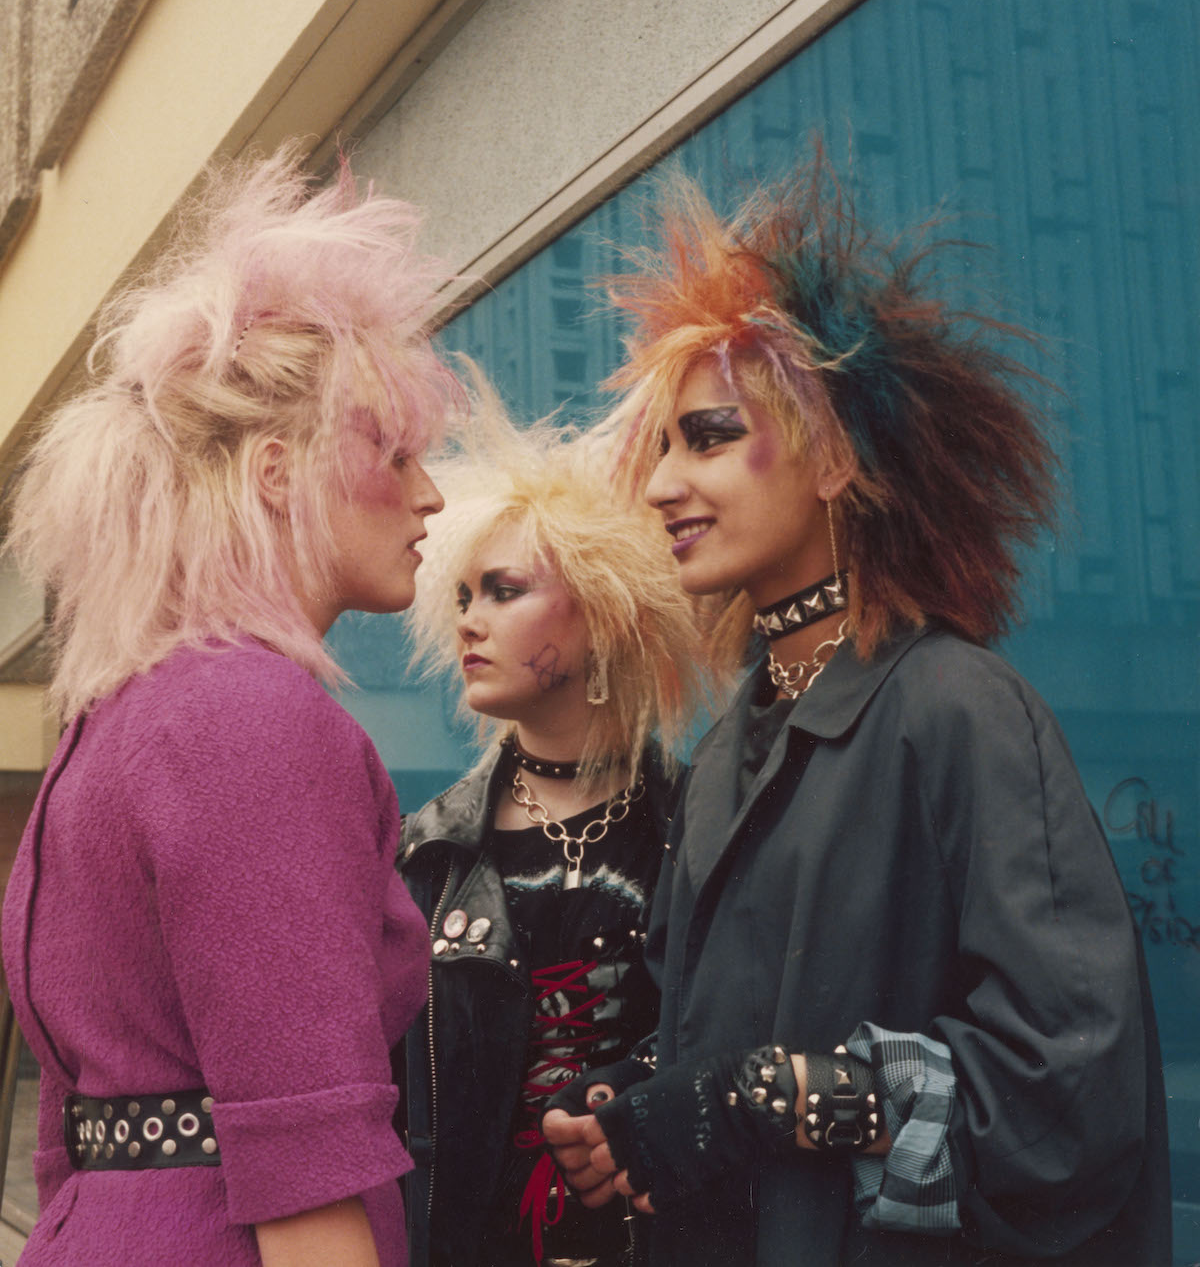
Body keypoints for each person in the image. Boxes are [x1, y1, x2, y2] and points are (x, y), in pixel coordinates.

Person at [544, 155, 1172, 1265]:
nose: (658, 486)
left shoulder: (960, 710)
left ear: (834, 453)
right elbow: (722, 1042)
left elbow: (1070, 1092)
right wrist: (640, 1109)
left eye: (710, 436)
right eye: (661, 446)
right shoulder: (726, 748)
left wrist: (778, 1095)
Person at [1, 147, 460, 1266]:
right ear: (273, 469)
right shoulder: (249, 720)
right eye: (395, 452)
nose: (432, 493)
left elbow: (64, 1134)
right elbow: (308, 1178)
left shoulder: (118, 718)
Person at [398, 394, 705, 1267]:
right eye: (461, 595)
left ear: (603, 610)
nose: (468, 618)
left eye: (504, 591)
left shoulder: (699, 825)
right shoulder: (432, 850)